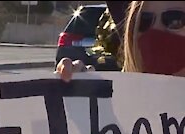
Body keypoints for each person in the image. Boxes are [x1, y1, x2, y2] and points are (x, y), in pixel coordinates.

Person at [56, 1, 185, 81]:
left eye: (175, 20)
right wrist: (79, 90)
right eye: (143, 22)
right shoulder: (122, 100)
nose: (154, 32)